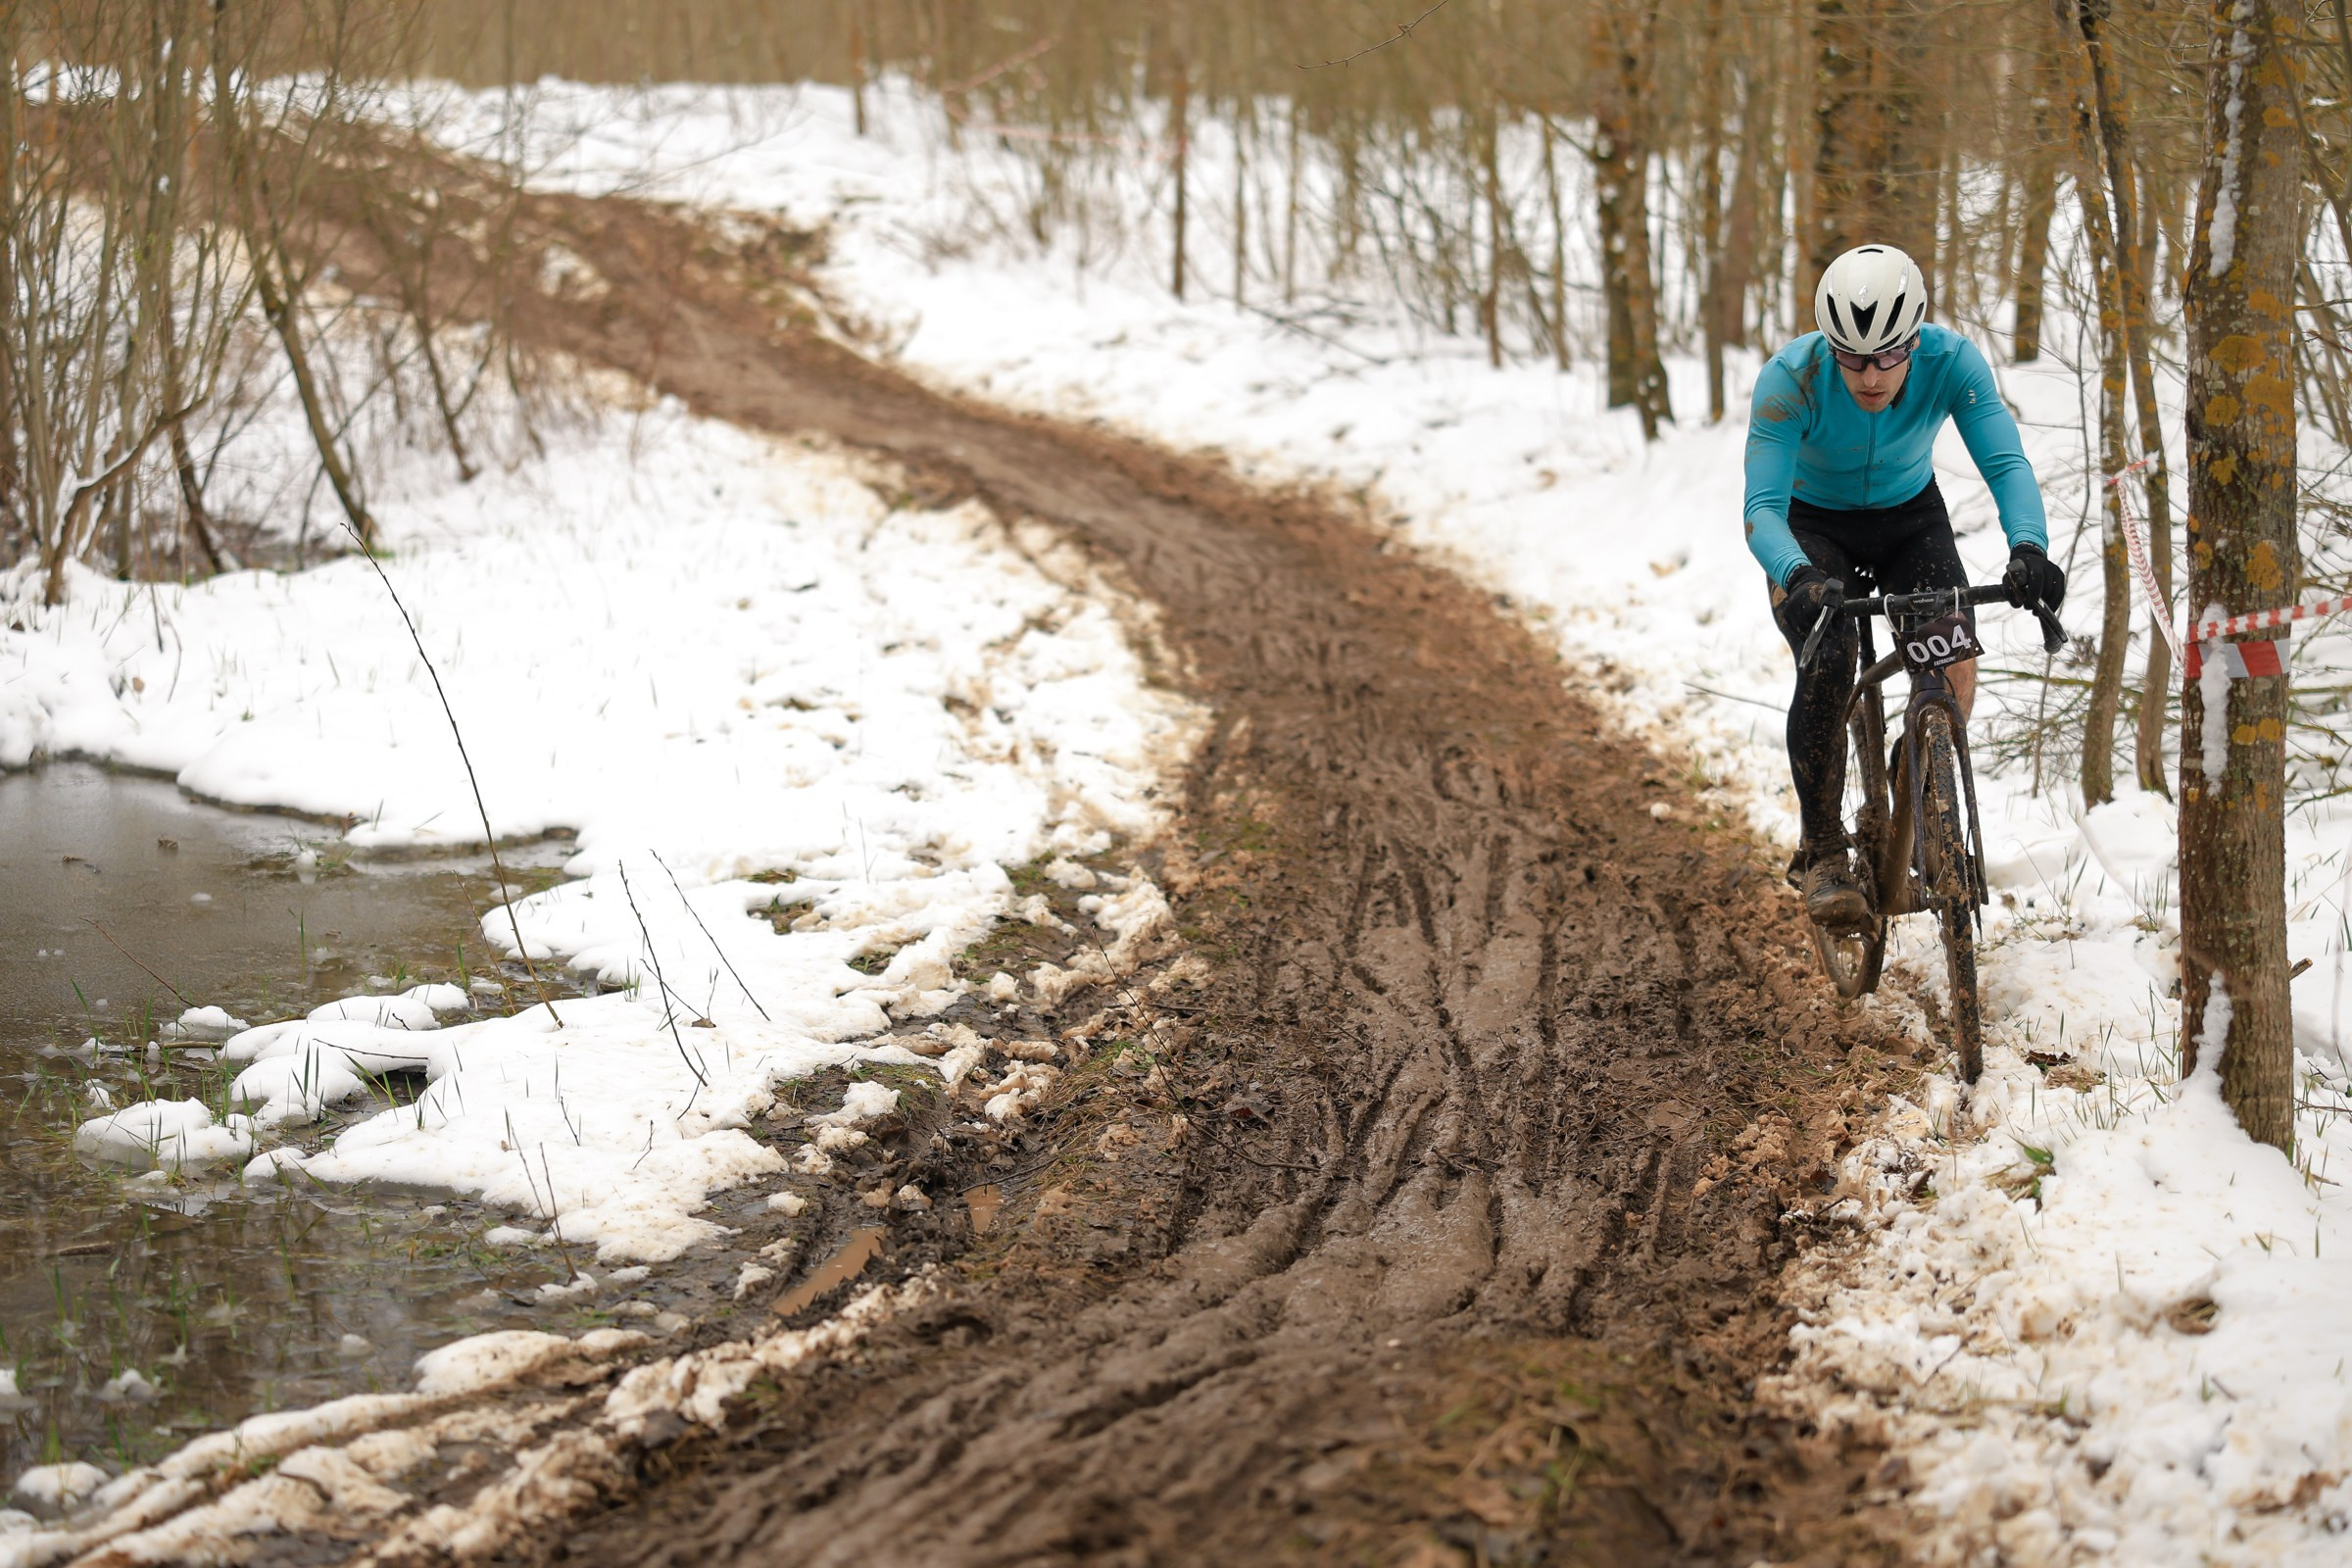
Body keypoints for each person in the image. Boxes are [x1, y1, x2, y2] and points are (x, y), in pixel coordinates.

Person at [1743, 243, 2068, 928]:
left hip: (1907, 521)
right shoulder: (1789, 379)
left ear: (1915, 338)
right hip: (1811, 529)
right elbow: (1762, 511)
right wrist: (1796, 575)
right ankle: (1825, 849)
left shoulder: (1953, 362)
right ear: (1827, 345)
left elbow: (2005, 462)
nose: (1869, 374)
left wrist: (2029, 549)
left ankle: (1919, 786)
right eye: (1851, 356)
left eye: (1889, 355)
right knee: (1828, 660)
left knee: (1951, 661)